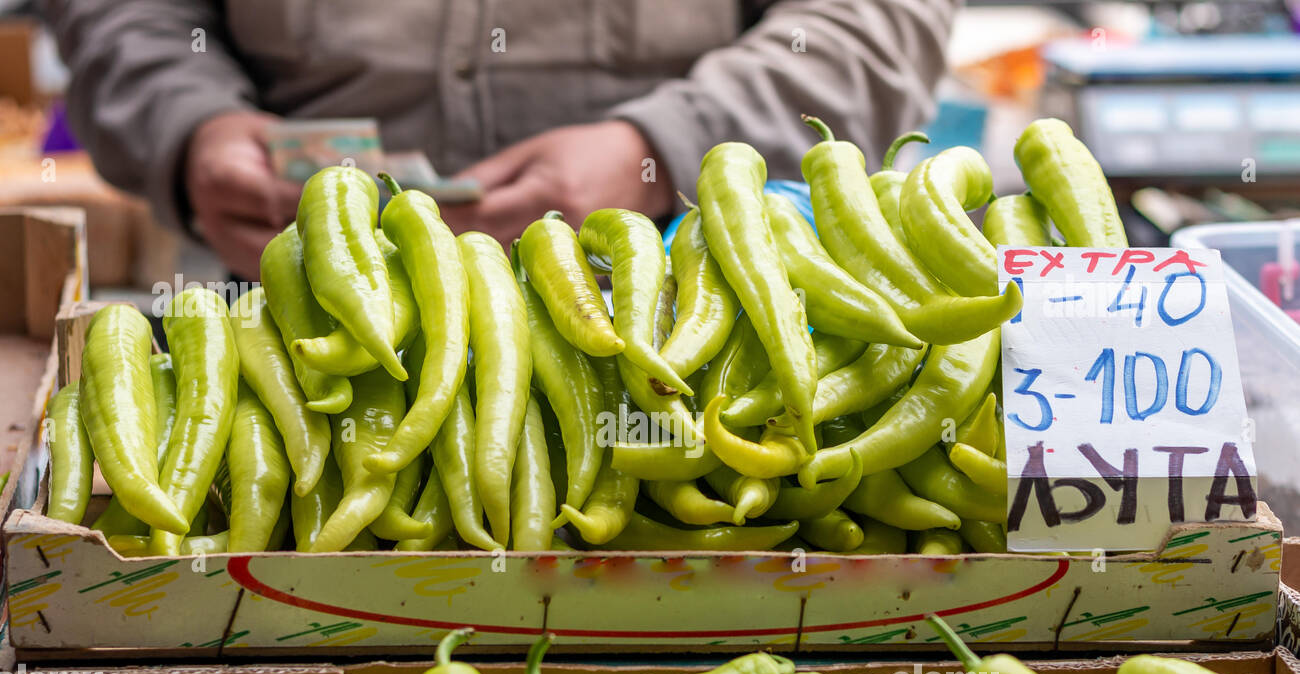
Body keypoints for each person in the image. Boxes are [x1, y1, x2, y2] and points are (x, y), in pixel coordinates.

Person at [44, 0, 959, 278]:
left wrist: (662, 147)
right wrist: (189, 120)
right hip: (289, 305)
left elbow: (872, 19)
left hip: (686, 317)